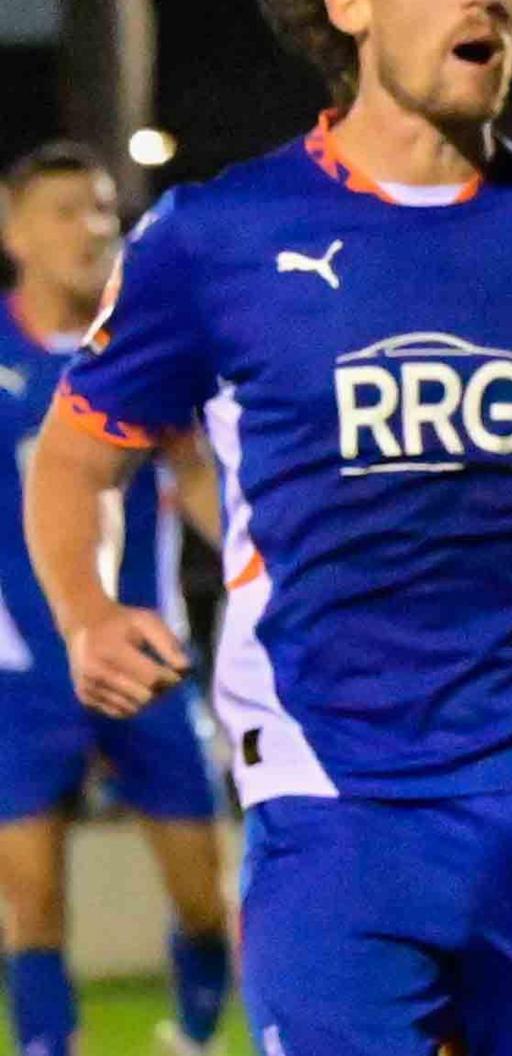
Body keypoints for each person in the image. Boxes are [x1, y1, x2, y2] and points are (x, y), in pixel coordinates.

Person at [24, 0, 512, 1055]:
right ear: (349, 5)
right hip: (331, 791)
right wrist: (84, 608)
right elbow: (75, 457)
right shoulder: (218, 237)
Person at [0, 143, 230, 1056]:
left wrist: (286, 564)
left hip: (149, 657)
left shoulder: (144, 352)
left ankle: (199, 1033)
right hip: (22, 670)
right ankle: (53, 1045)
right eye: (65, 211)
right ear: (12, 231)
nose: (92, 228)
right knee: (30, 899)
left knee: (203, 896)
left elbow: (203, 487)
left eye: (103, 209)